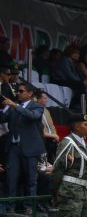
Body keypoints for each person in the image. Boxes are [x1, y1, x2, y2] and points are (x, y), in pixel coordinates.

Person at [5, 82, 47, 210]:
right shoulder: (12, 106)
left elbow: (32, 116)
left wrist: (15, 105)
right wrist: (6, 107)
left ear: (30, 93)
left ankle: (29, 207)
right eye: (17, 91)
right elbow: (2, 118)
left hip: (30, 147)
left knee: (31, 180)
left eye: (21, 91)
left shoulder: (36, 106)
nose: (18, 93)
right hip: (14, 147)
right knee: (11, 179)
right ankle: (10, 207)